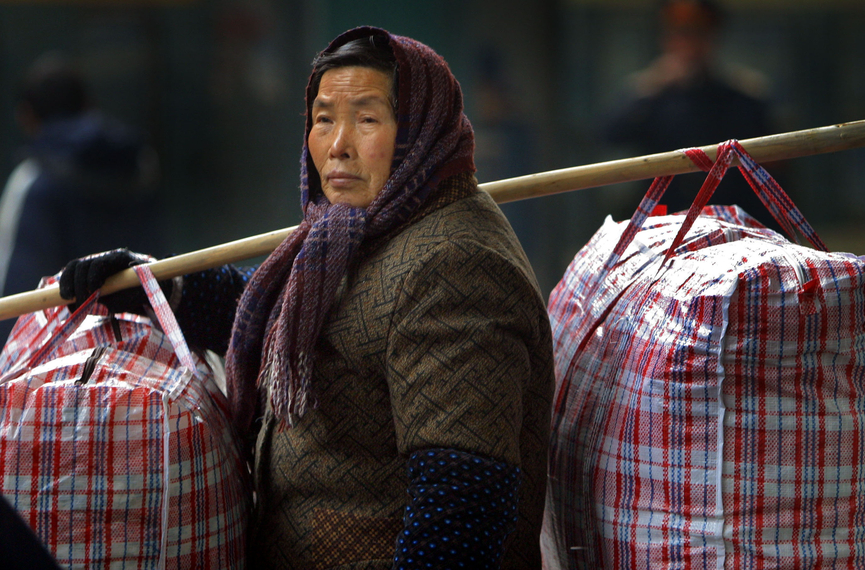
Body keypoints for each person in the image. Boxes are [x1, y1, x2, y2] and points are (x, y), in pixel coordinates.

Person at [59, 27, 555, 569]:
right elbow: (285, 319)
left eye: (366, 119)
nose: (337, 144)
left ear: (421, 132)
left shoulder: (454, 266)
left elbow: (462, 504)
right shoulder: (362, 229)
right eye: (323, 119)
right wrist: (158, 289)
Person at [0, 53, 164, 343]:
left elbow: (17, 297)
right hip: (147, 347)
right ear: (88, 104)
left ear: (26, 116)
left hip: (61, 364)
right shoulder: (141, 165)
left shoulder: (33, 181)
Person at [602, 0, 780, 228]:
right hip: (663, 223)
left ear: (712, 34)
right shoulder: (650, 93)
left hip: (729, 223)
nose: (686, 41)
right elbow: (609, 134)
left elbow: (769, 173)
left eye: (696, 31)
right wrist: (649, 86)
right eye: (677, 30)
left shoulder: (743, 96)